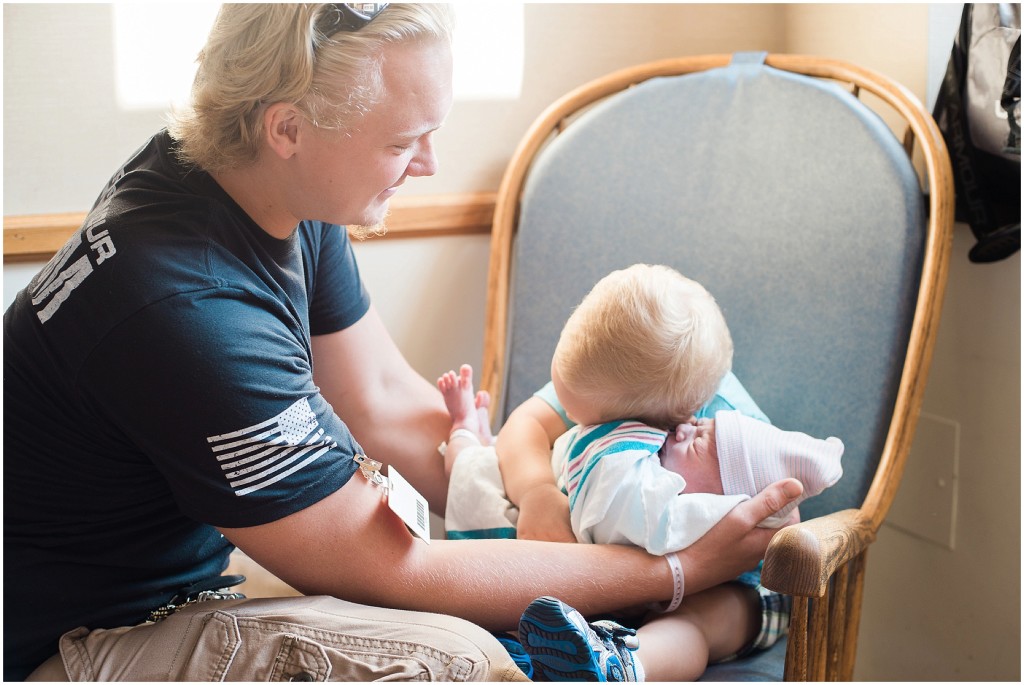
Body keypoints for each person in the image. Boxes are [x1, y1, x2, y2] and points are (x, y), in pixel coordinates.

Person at [3, 5, 804, 682]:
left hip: (175, 585)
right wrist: (674, 571)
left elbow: (388, 402)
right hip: (73, 640)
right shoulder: (186, 311)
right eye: (401, 141)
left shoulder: (252, 187)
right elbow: (394, 565)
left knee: (499, 608)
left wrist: (563, 514)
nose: (428, 163)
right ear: (288, 126)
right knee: (464, 660)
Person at [437, 265, 843, 681]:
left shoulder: (727, 431)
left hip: (730, 586)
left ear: (664, 421)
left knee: (699, 622)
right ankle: (543, 644)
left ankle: (628, 665)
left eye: (586, 419)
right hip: (630, 574)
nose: (575, 424)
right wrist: (538, 491)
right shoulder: (605, 372)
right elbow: (528, 425)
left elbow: (779, 519)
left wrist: (677, 573)